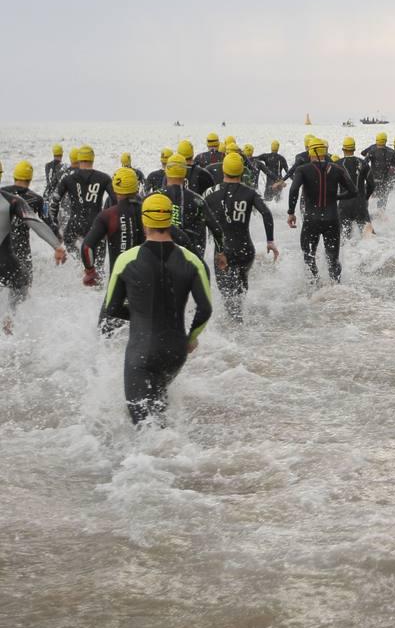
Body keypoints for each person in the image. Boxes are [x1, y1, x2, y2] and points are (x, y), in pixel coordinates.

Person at [102, 193, 212, 426]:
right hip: (175, 352)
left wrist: (140, 314)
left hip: (142, 351)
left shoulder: (126, 260)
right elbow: (205, 309)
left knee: (142, 425)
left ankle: (155, 460)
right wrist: (191, 338)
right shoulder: (192, 261)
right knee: (158, 409)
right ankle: (173, 456)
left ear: (145, 222)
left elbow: (111, 307)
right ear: (170, 221)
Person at [202, 152, 279, 322]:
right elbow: (266, 213)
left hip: (223, 251)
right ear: (242, 171)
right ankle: (241, 323)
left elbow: (201, 220)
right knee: (240, 290)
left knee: (227, 294)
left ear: (224, 170)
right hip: (245, 250)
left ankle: (232, 332)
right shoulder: (249, 192)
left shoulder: (209, 193)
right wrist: (270, 241)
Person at [1, 161, 67, 328]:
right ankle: (11, 322)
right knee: (22, 285)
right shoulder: (15, 200)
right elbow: (38, 222)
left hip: (9, 254)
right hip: (9, 257)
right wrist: (57, 245)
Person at [81, 168, 145, 335]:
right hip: (147, 284)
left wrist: (90, 271)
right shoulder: (149, 211)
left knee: (105, 336)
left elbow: (87, 248)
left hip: (119, 285)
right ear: (137, 188)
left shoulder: (108, 215)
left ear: (115, 189)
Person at [287, 137, 358, 283]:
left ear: (310, 151)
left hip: (311, 221)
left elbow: (294, 189)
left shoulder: (302, 170)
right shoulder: (338, 169)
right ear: (325, 151)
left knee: (309, 257)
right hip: (332, 220)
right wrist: (336, 197)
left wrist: (291, 212)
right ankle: (336, 290)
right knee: (333, 259)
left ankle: (315, 286)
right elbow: (353, 191)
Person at [53, 146, 113, 257]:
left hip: (75, 223)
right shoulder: (104, 178)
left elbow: (54, 202)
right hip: (97, 223)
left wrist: (55, 225)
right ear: (93, 159)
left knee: (71, 247)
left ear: (79, 159)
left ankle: (80, 264)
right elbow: (115, 201)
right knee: (98, 265)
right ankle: (93, 268)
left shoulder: (68, 179)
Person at [337, 138, 375, 241]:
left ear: (343, 149)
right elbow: (371, 184)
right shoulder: (363, 163)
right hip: (360, 204)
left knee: (344, 238)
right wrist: (366, 197)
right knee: (369, 237)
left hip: (344, 205)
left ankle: (350, 256)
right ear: (354, 148)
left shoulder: (337, 164)